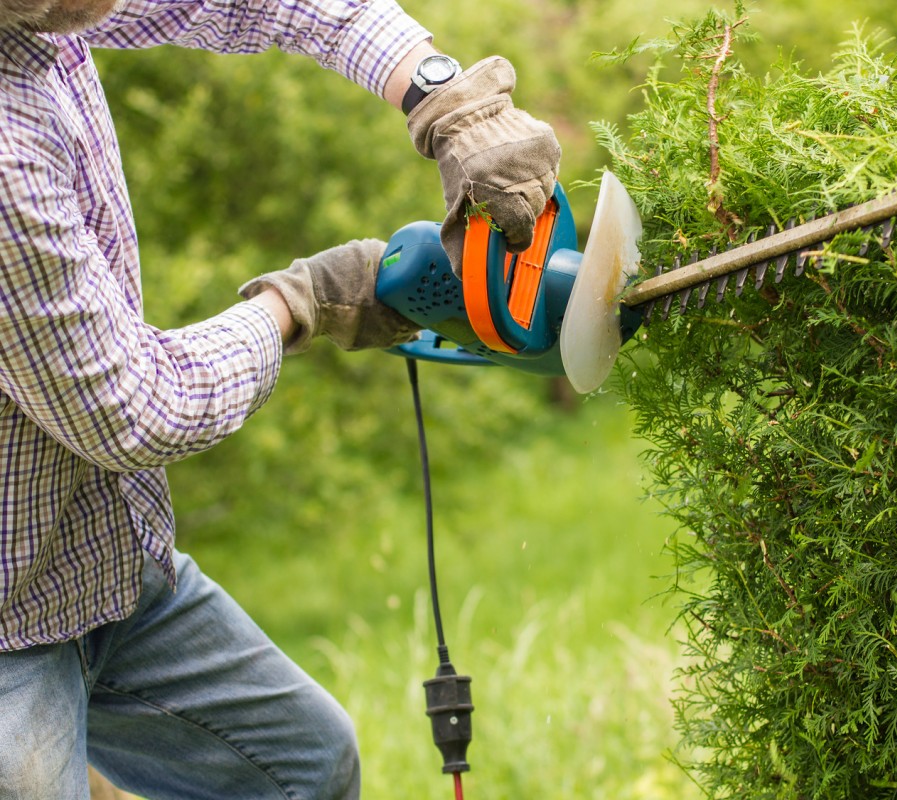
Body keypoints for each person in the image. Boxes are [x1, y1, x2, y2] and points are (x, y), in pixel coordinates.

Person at [0, 0, 560, 794]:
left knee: (303, 768)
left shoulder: (44, 17)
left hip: (105, 563)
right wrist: (305, 299)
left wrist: (448, 99)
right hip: (7, 627)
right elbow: (133, 409)